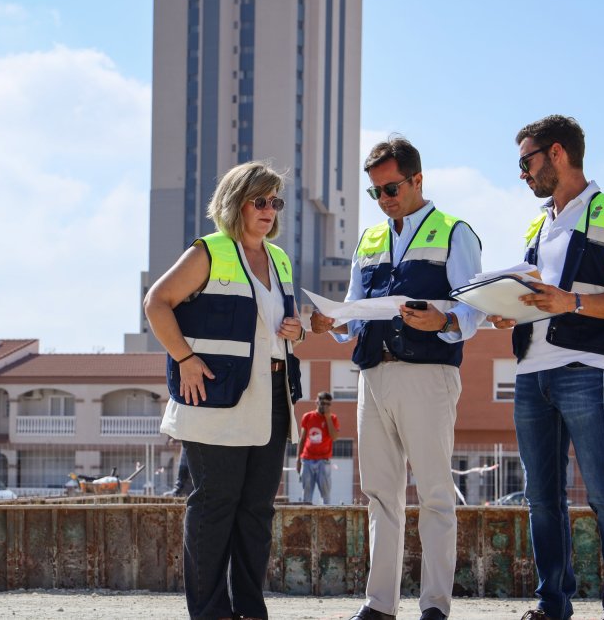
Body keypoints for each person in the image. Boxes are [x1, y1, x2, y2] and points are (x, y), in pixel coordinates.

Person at [311, 136, 484, 620]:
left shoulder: (455, 231)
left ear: (417, 180)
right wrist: (334, 322)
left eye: (391, 188)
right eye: (376, 193)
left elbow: (475, 307)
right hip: (373, 376)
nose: (384, 200)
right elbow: (353, 307)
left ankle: (434, 606)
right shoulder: (368, 240)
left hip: (428, 376)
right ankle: (379, 605)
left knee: (433, 492)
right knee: (379, 494)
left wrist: (445, 320)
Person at [488, 115, 604, 620]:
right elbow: (540, 298)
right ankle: (551, 603)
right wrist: (508, 308)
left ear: (557, 154)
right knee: (542, 498)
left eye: (525, 161)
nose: (521, 174)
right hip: (532, 373)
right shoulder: (539, 223)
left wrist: (572, 302)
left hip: (587, 369)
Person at [144, 160, 304, 620]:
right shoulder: (209, 251)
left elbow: (273, 327)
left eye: (275, 201)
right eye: (260, 200)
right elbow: (157, 302)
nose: (269, 210)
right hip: (214, 400)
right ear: (236, 203)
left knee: (256, 511)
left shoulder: (280, 260)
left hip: (273, 396)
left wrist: (295, 329)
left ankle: (250, 610)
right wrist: (184, 358)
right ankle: (211, 613)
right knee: (215, 507)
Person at [297, 391, 338, 505]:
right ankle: (306, 519)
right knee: (307, 493)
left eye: (328, 404)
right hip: (307, 459)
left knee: (325, 494)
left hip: (324, 461)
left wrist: (328, 418)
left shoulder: (333, 418)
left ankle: (326, 519)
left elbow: (334, 437)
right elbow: (303, 438)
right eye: (323, 403)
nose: (325, 406)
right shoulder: (308, 416)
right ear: (317, 402)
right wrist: (298, 459)